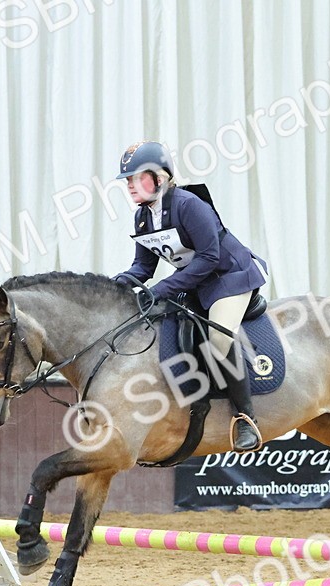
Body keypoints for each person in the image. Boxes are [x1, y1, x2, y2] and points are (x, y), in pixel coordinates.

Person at [112, 140, 268, 453]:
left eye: (136, 178)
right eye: (127, 180)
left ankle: (245, 419)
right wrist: (111, 288)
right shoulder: (142, 218)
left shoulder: (188, 204)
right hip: (197, 282)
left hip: (230, 278)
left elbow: (209, 257)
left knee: (219, 339)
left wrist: (161, 290)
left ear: (159, 177)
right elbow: (143, 266)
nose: (130, 185)